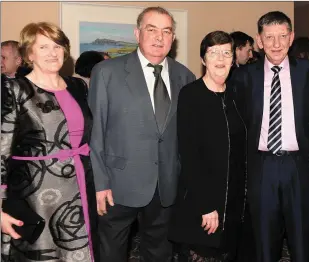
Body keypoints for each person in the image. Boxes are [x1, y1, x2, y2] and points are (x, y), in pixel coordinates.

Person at [88, 6, 195, 262]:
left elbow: (187, 137)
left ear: (173, 37)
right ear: (138, 33)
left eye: (166, 31)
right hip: (118, 183)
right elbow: (96, 131)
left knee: (159, 251)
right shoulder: (107, 73)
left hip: (166, 185)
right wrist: (100, 183)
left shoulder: (185, 76)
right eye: (152, 29)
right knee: (112, 252)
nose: (159, 37)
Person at [232, 11, 309, 262]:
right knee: (264, 243)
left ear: (291, 37)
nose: (276, 44)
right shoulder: (243, 76)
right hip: (261, 167)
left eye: (282, 36)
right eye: (269, 37)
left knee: (302, 241)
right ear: (259, 40)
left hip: (300, 167)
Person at [0, 22, 98, 262]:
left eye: (57, 46)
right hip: (35, 194)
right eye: (43, 47)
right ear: (29, 54)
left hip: (81, 186)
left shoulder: (77, 86)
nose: (53, 53)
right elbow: (1, 150)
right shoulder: (14, 89)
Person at [168, 30, 247, 261]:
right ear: (203, 59)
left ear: (233, 59)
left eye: (226, 53)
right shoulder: (191, 95)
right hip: (202, 204)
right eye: (213, 53)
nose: (221, 59)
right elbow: (189, 155)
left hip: (232, 204)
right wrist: (206, 206)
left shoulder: (237, 95)